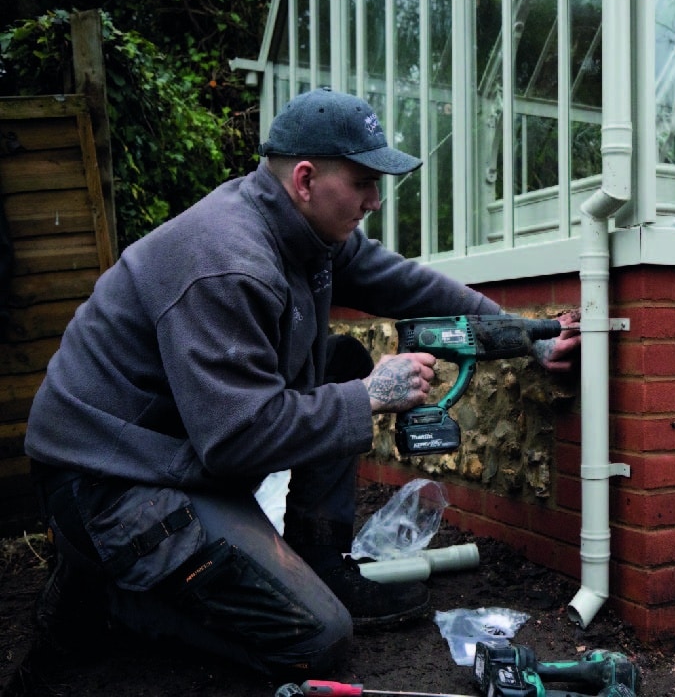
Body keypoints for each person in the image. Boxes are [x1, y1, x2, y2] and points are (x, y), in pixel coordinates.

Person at [24, 87, 580, 677]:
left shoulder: (309, 234)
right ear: (307, 179)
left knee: (338, 359)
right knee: (317, 641)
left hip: (177, 450)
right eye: (363, 182)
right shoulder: (228, 261)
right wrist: (367, 398)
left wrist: (526, 336)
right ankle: (111, 602)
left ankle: (322, 558)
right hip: (109, 478)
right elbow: (236, 438)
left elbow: (407, 285)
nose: (374, 200)